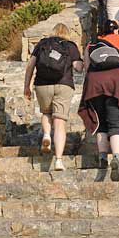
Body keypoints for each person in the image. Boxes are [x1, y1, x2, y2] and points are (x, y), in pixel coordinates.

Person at [78, 20, 119, 181]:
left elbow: (87, 66)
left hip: (95, 85)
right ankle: (117, 158)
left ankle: (103, 157)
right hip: (116, 84)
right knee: (115, 122)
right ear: (116, 30)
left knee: (101, 123)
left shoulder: (92, 44)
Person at [24, 23, 84, 171]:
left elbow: (30, 65)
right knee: (59, 121)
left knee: (46, 112)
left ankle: (46, 135)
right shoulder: (70, 46)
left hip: (42, 85)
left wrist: (27, 86)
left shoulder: (42, 44)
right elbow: (78, 67)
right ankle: (58, 160)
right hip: (63, 85)